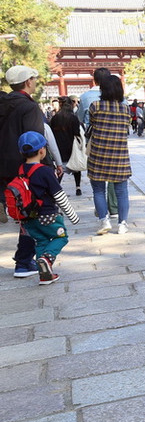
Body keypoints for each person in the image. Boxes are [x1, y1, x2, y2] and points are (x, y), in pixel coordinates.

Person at [12, 131, 80, 284]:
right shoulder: (45, 171)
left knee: (41, 241)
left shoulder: (21, 169)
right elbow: (59, 196)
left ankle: (45, 275)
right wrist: (73, 216)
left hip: (30, 218)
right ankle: (47, 259)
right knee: (61, 237)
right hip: (48, 215)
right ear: (42, 150)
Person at [0, 65, 46, 276]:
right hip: (21, 168)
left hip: (2, 167)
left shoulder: (3, 103)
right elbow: (34, 141)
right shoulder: (29, 107)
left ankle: (23, 260)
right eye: (34, 79)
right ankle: (24, 261)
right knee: (29, 214)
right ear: (28, 81)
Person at [87, 75, 133, 235]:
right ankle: (122, 224)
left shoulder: (95, 106)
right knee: (122, 191)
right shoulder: (125, 108)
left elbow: (91, 125)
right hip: (119, 156)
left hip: (98, 155)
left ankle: (104, 220)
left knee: (99, 190)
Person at [50, 96, 83, 196]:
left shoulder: (55, 118)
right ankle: (78, 187)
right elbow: (76, 133)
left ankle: (56, 189)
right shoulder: (73, 117)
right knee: (76, 167)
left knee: (60, 168)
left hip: (59, 146)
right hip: (71, 146)